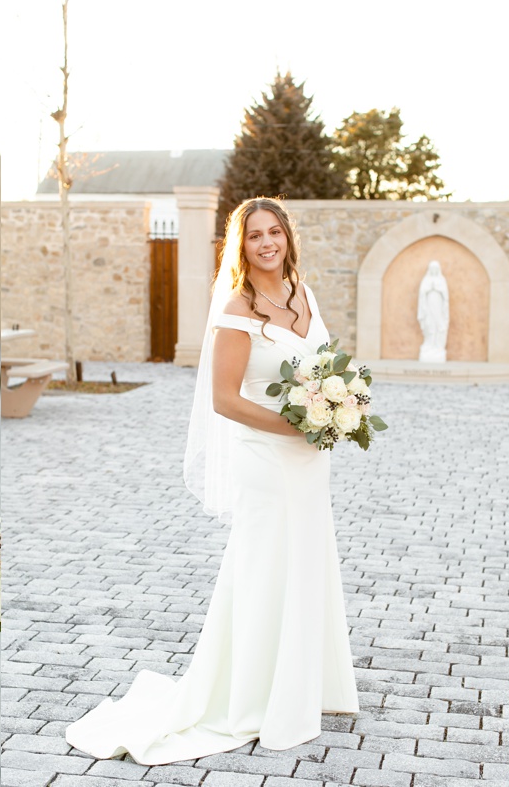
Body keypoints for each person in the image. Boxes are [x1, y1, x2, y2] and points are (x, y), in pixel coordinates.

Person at [66, 197, 358, 764]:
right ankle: (252, 694)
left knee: (307, 560)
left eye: (275, 232)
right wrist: (291, 426)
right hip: (267, 460)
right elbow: (225, 400)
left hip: (308, 460)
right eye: (255, 236)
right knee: (265, 566)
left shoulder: (302, 293)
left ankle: (307, 685)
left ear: (287, 238)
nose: (267, 242)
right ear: (240, 246)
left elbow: (323, 366)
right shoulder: (238, 308)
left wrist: (333, 406)